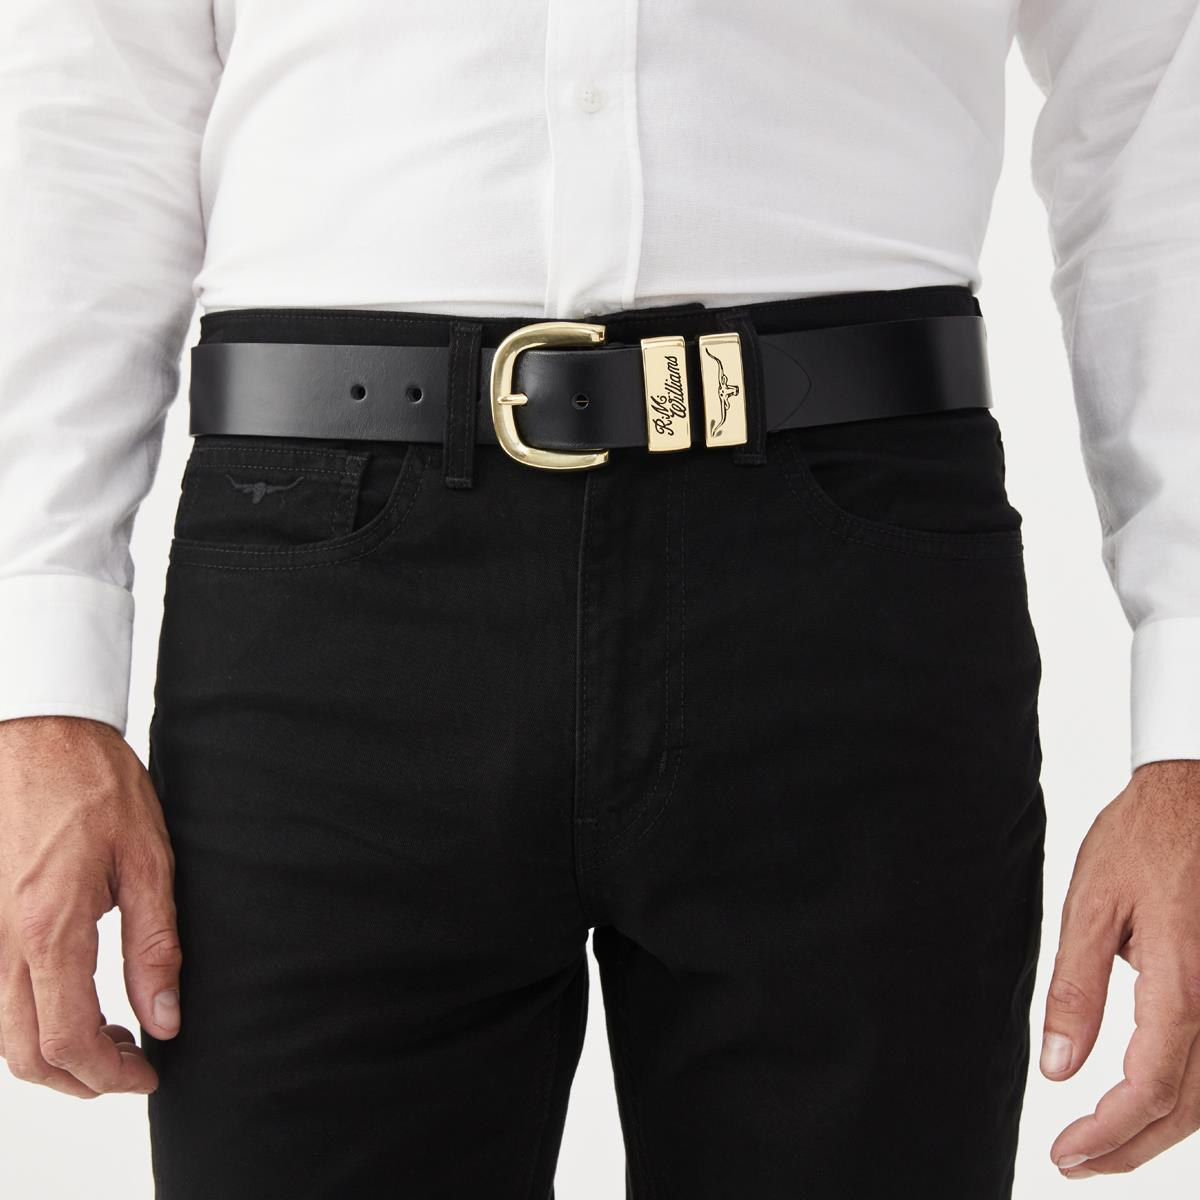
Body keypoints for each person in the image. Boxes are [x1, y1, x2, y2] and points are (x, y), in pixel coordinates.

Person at [0, 2, 1197, 1197]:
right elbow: (89, 114)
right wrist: (38, 689)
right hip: (323, 595)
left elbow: (1160, 122)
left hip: (852, 588)